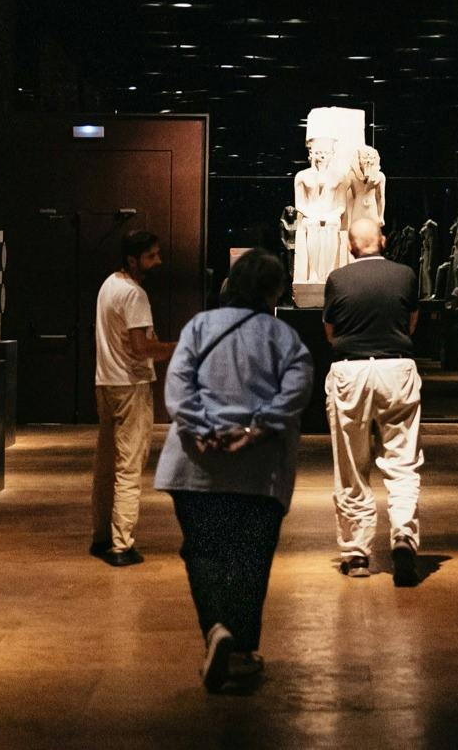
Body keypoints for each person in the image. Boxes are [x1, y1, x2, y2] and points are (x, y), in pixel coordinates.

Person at [155, 250, 314, 693]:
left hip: (195, 464)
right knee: (250, 558)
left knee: (202, 550)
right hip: (258, 469)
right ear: (273, 291)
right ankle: (241, 651)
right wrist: (254, 429)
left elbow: (178, 384)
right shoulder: (283, 337)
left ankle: (216, 631)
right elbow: (296, 388)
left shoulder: (198, 327)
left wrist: (204, 430)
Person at [322, 217, 424, 586]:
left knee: (351, 465)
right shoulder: (405, 275)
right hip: (396, 367)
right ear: (382, 240)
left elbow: (330, 332)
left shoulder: (337, 279)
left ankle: (357, 552)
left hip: (349, 370)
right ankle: (403, 537)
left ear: (351, 246)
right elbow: (411, 322)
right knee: (402, 461)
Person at [91, 229, 176, 566]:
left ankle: (102, 536)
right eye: (152, 256)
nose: (158, 261)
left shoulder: (108, 286)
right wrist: (176, 348)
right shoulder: (134, 294)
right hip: (131, 385)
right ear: (133, 259)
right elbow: (142, 349)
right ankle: (122, 545)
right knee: (129, 467)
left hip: (106, 383)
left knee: (106, 466)